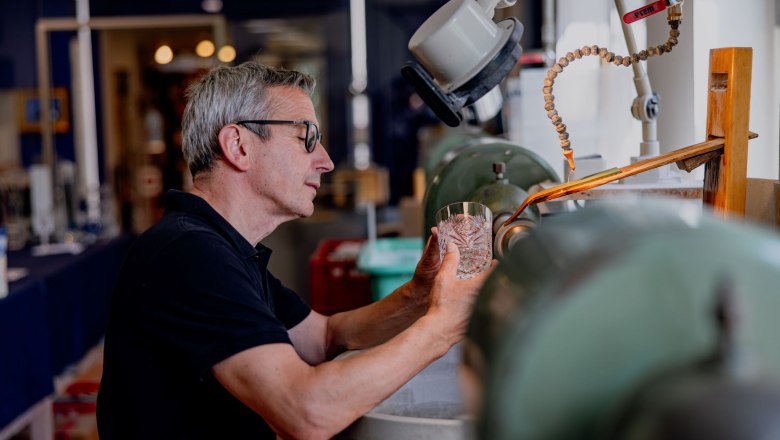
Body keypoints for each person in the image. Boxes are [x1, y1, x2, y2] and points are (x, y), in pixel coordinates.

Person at [96, 60, 492, 439]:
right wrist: (442, 328)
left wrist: (418, 297)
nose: (326, 161)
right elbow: (306, 413)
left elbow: (324, 337)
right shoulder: (188, 254)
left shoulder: (225, 248)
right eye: (307, 137)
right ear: (238, 145)